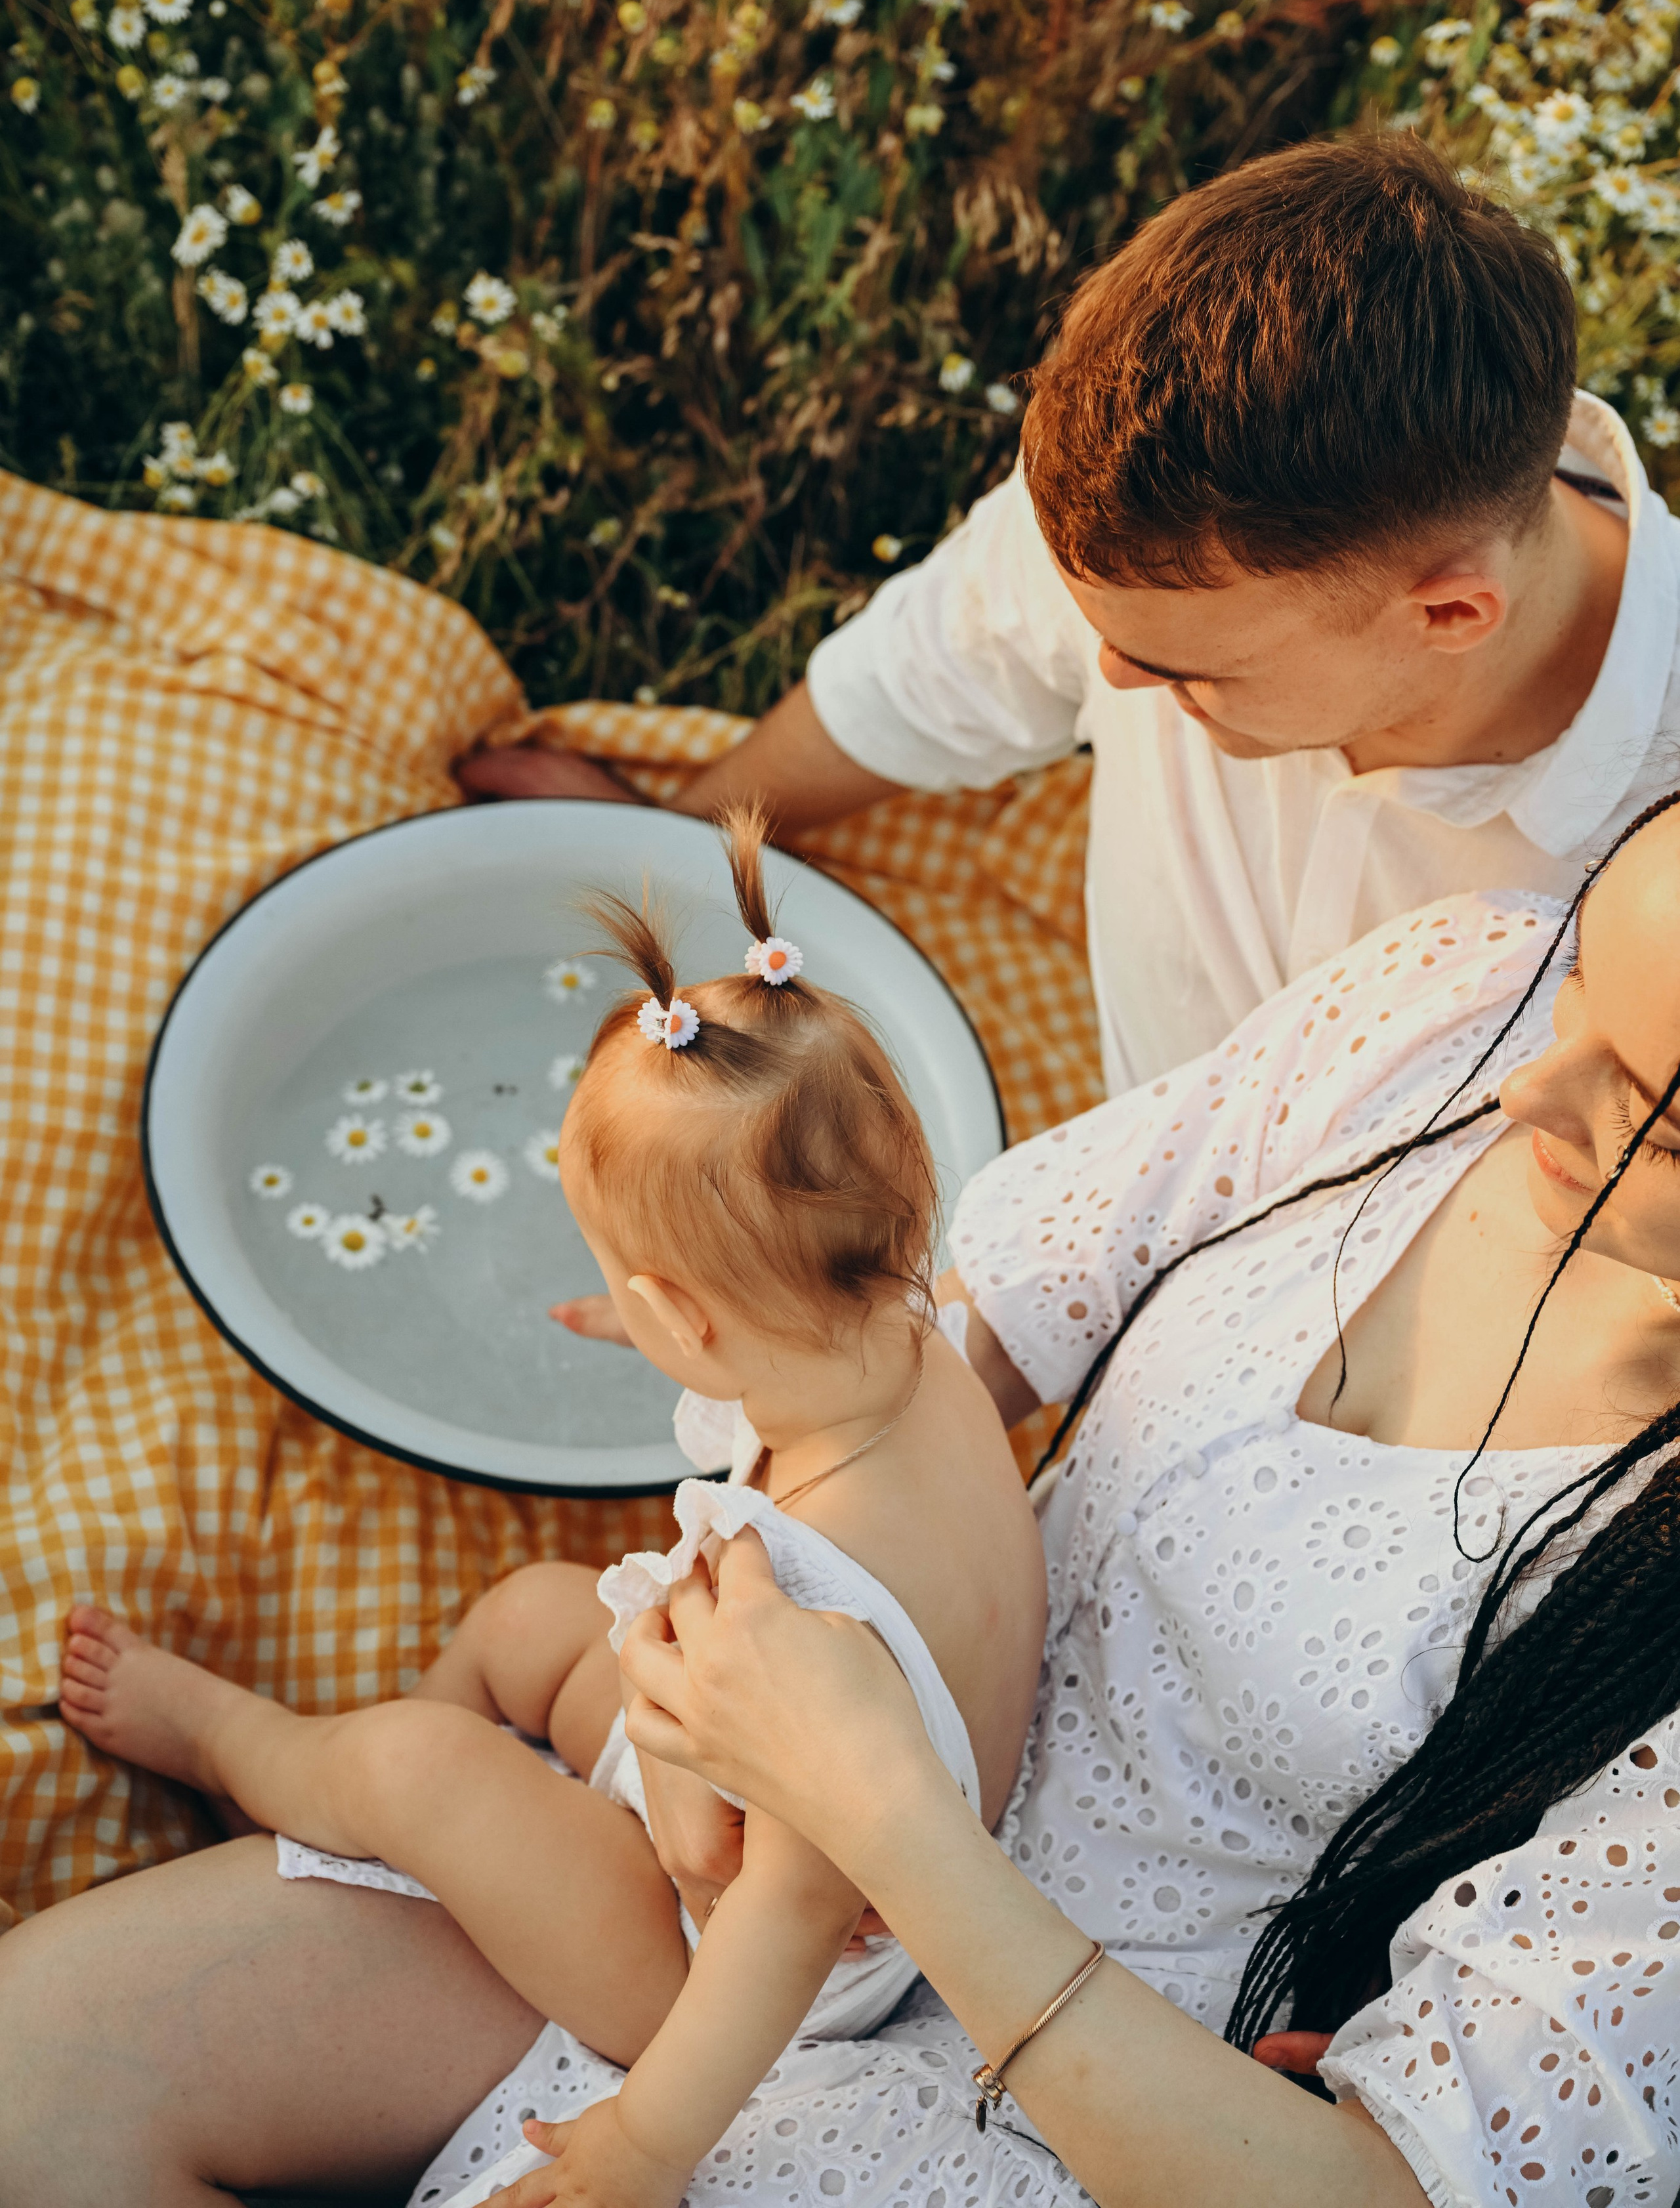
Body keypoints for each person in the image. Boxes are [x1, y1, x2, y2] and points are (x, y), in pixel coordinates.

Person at [9, 806, 1680, 2207]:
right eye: (1578, 987)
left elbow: (1387, 2181)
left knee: (416, 1768)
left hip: (1004, 2054)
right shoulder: (1461, 988)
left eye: (1649, 1115)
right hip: (791, 1794)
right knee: (34, 2089)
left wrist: (845, 1817)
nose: (1529, 1087)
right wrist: (715, 1629)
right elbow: (985, 1298)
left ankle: (283, 1767)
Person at [51, 813, 1044, 2208]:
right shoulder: (911, 1349)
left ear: (680, 1320)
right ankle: (431, 1816)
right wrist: (677, 1321)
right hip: (735, 1781)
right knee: (531, 1614)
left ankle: (258, 1756)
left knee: (415, 1766)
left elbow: (791, 1911)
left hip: (732, 1965)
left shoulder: (812, 1617)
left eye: (624, 1287)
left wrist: (650, 2142)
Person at [462, 133, 1680, 1101]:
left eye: (1185, 672)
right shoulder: (1182, 529)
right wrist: (689, 854)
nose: (1110, 677)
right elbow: (924, 676)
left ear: (1453, 611)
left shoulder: (1653, 847)